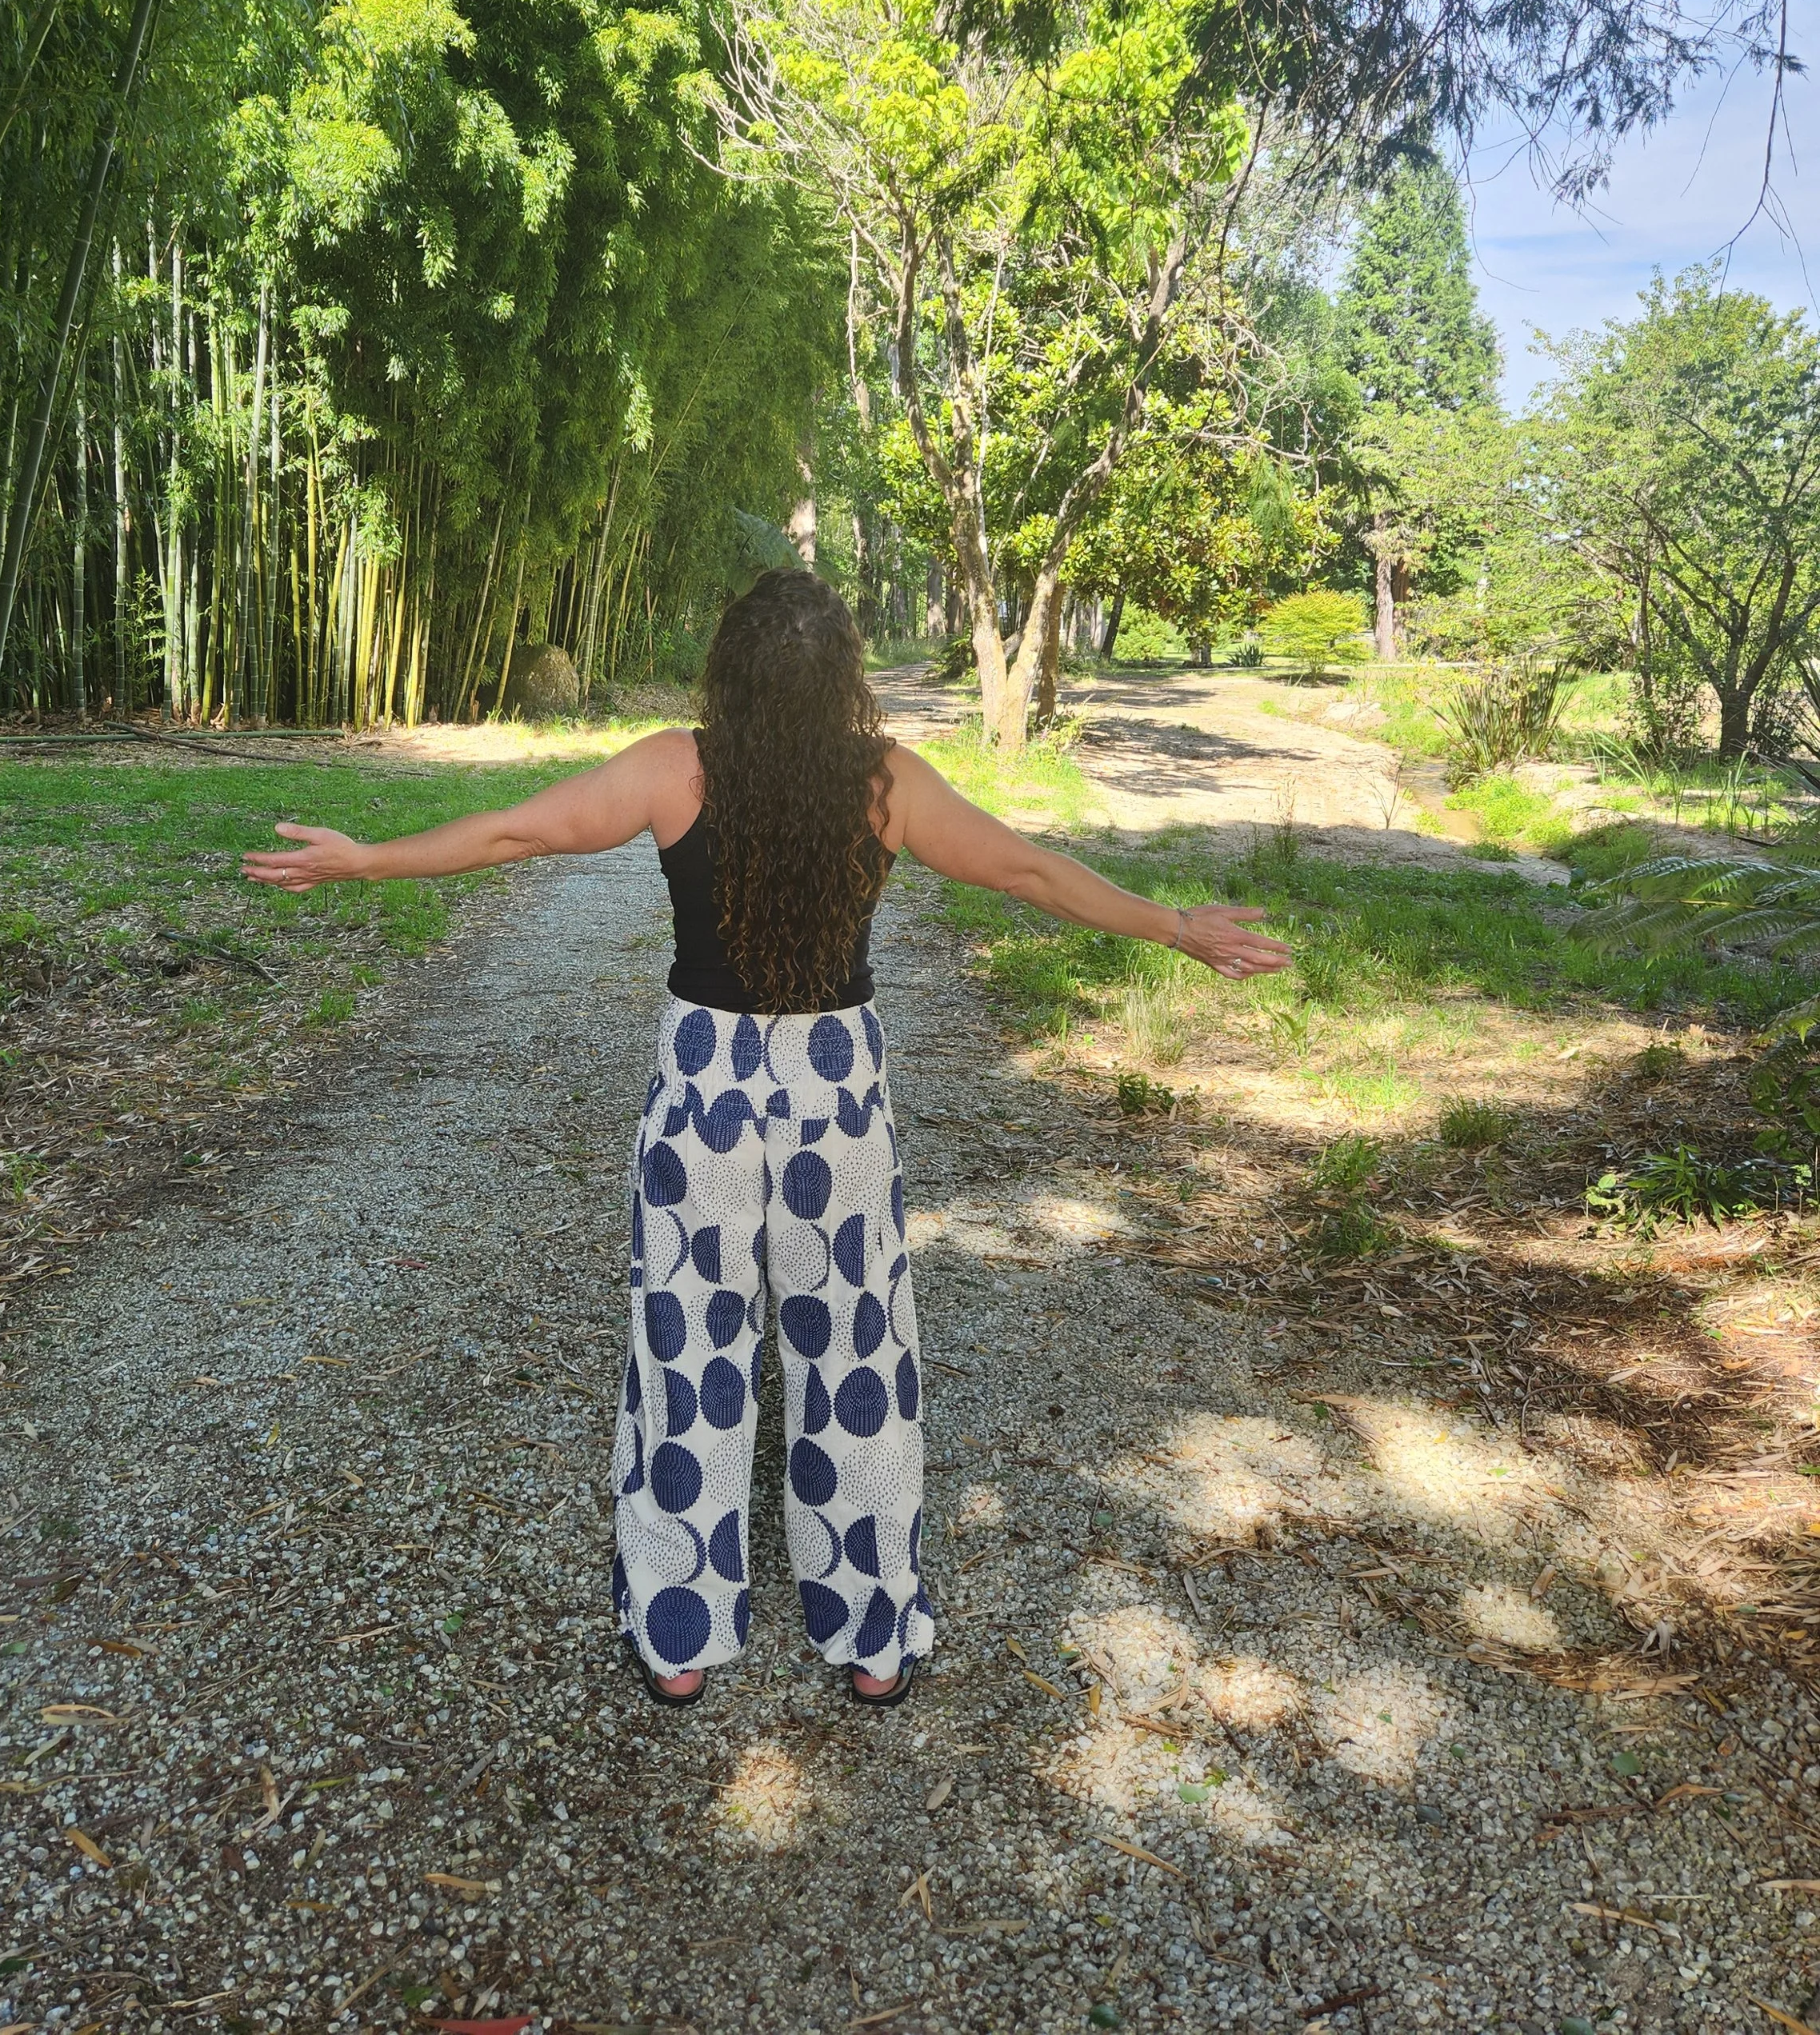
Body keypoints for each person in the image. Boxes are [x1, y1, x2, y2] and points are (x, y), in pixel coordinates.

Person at [242, 570, 1290, 1708]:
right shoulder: (887, 783)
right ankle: (875, 1633)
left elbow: (510, 832)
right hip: (838, 1097)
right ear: (845, 676)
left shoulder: (671, 768)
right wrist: (1174, 926)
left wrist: (368, 855)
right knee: (856, 1353)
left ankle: (680, 1635)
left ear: (726, 668)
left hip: (704, 1093)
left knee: (687, 1349)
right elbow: (1029, 871)